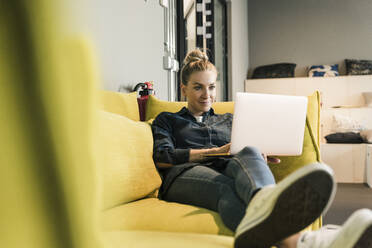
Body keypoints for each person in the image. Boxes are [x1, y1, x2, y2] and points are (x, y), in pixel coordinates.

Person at [151, 49, 372, 248]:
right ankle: (306, 241)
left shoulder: (228, 120)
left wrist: (258, 156)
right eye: (198, 87)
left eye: (211, 87)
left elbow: (241, 149)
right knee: (226, 189)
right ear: (183, 90)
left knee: (250, 150)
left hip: (228, 167)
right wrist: (214, 152)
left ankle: (267, 200)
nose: (206, 94)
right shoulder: (167, 120)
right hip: (183, 174)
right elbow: (162, 157)